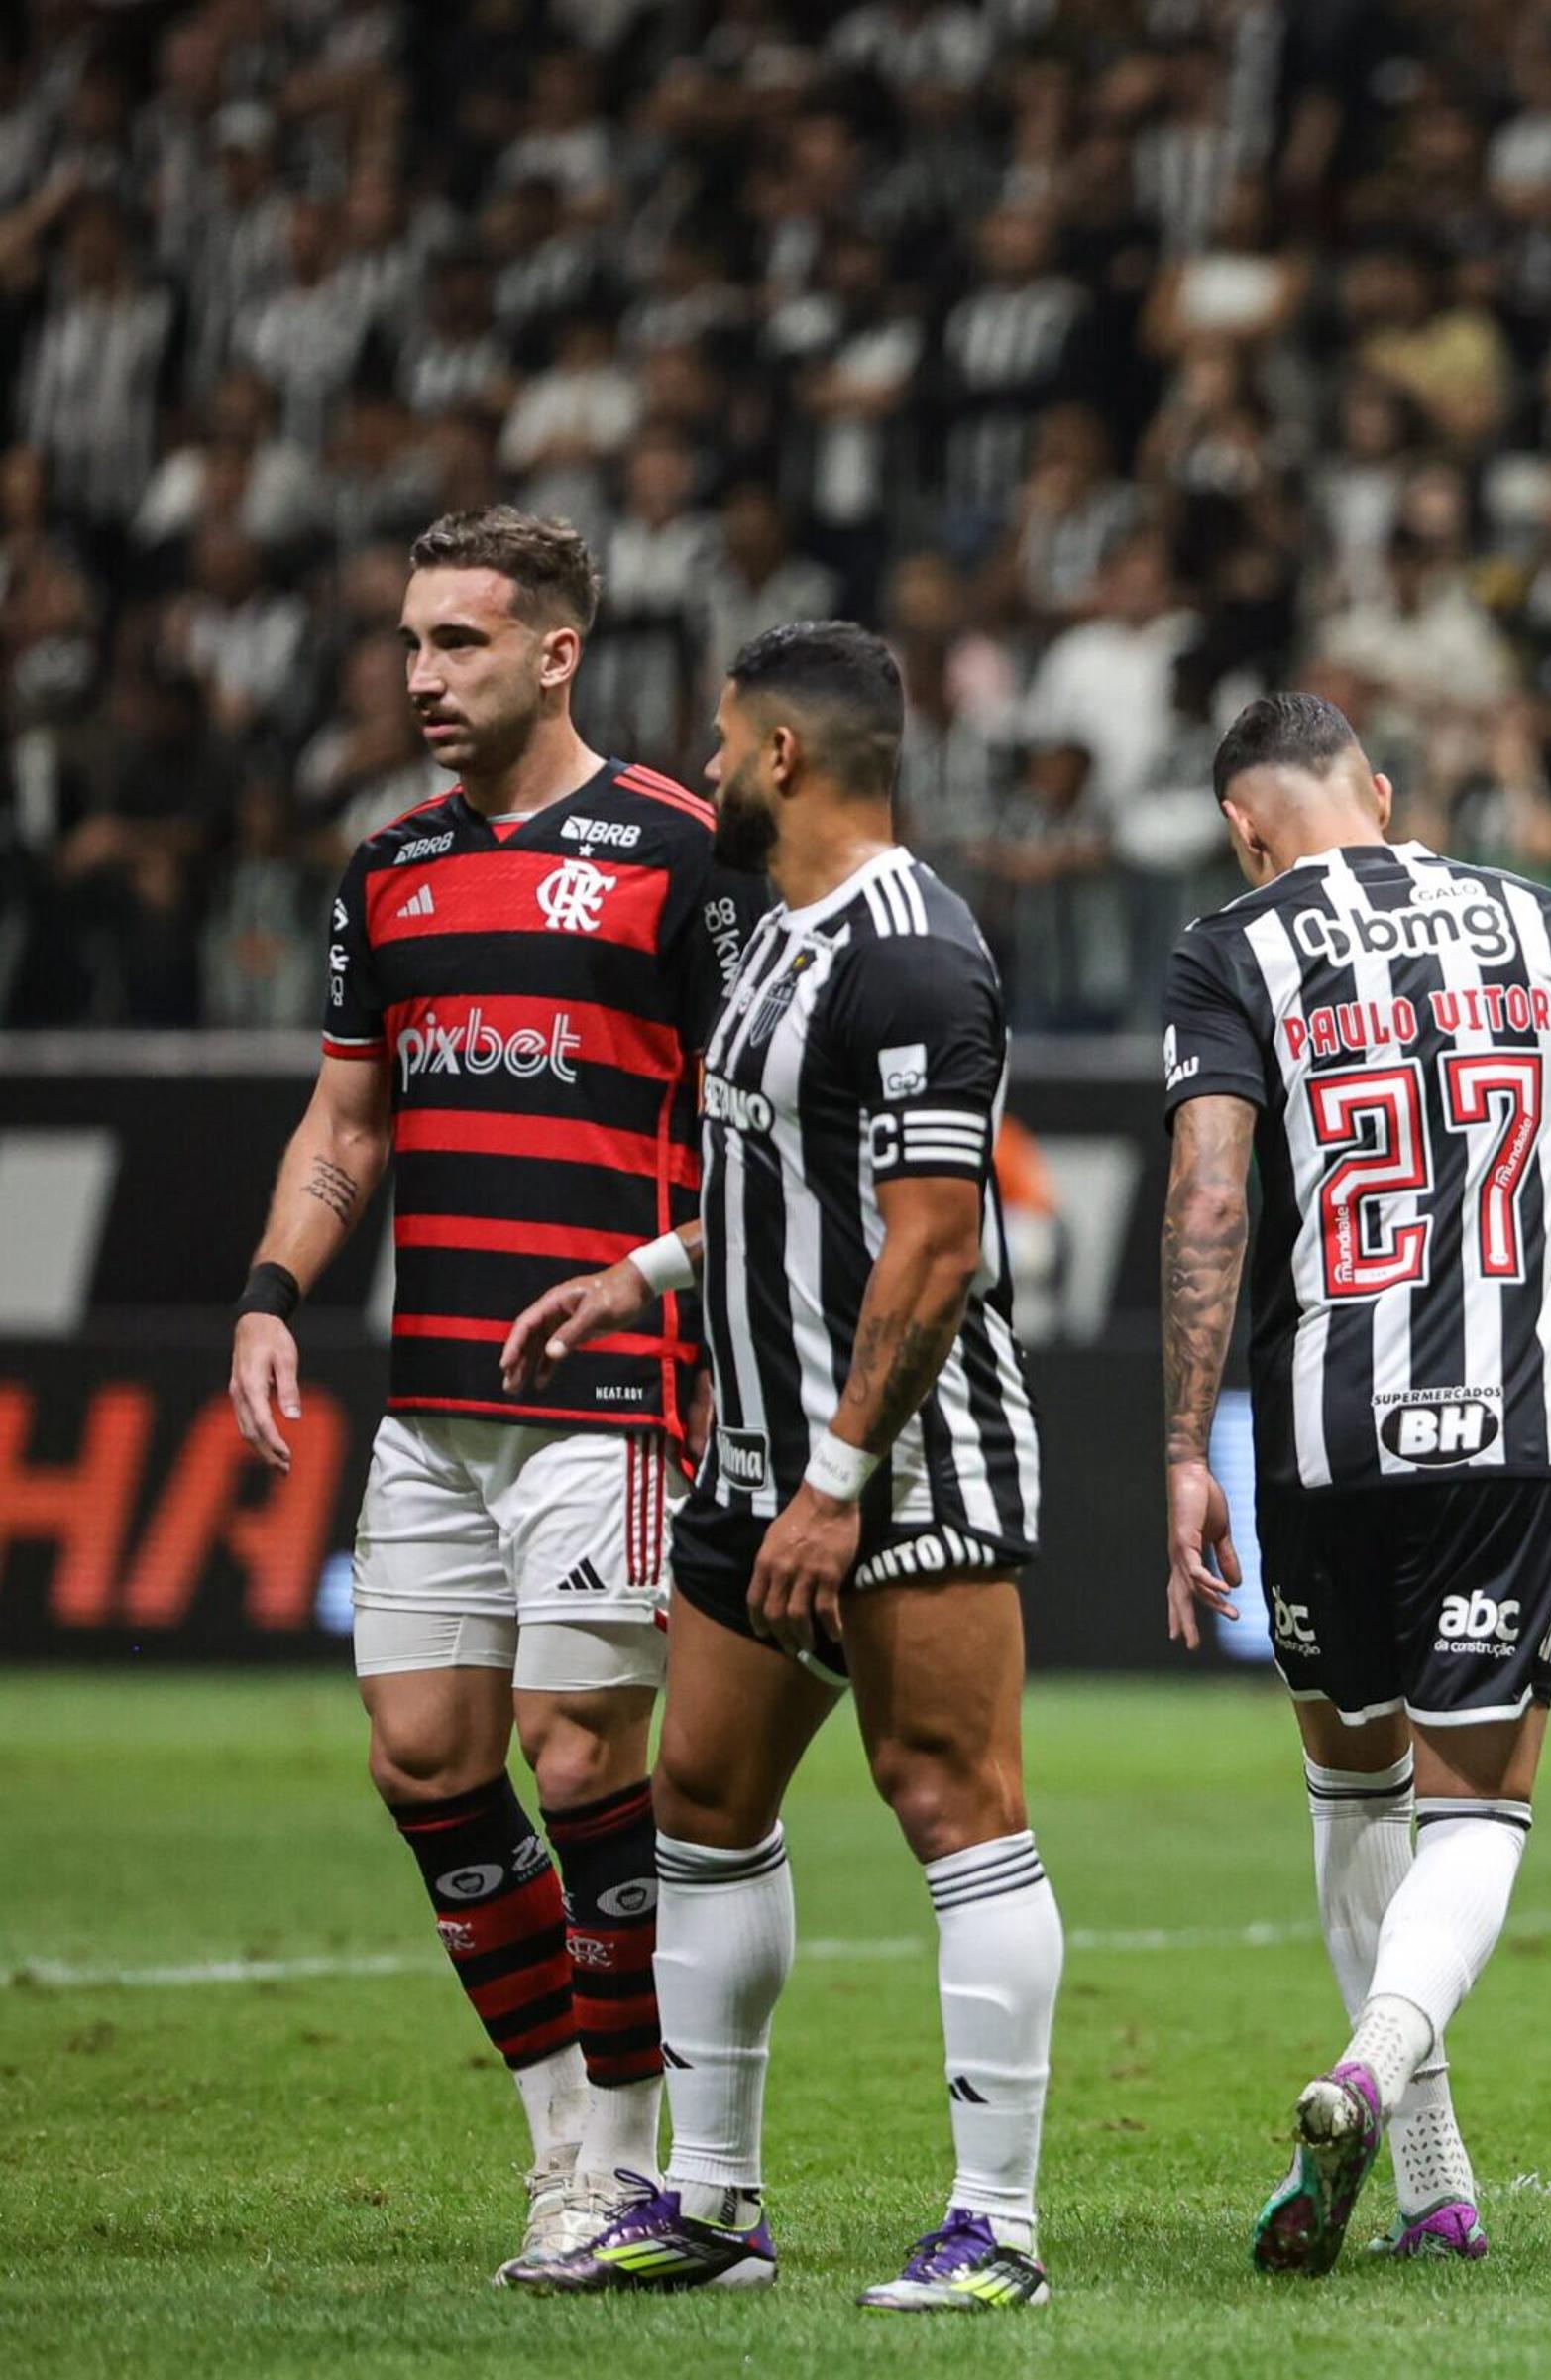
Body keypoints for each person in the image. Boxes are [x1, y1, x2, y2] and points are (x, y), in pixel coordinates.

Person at [499, 622, 1059, 2310]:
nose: (713, 768)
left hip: (904, 1464)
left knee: (951, 1802)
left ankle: (997, 2233)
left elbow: (938, 1245)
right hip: (755, 1461)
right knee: (703, 1804)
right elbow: (788, 1180)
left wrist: (837, 1480)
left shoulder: (915, 955)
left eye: (729, 744)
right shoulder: (782, 944)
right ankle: (719, 2206)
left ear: (788, 757)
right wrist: (646, 1275)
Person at [223, 506, 744, 2282]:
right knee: (425, 1759)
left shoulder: (683, 851)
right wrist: (276, 1289)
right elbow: (348, 1119)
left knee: (581, 1749)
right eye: (409, 640)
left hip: (613, 1392)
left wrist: (677, 1294)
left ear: (556, 650)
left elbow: (754, 1129)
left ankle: (625, 2155)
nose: (420, 674)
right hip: (430, 1398)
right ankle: (557, 2142)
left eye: (457, 641)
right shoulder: (389, 868)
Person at [1155, 692, 1551, 2269]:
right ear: (1379, 786)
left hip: (1324, 1426)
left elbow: (1208, 1202)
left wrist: (1181, 1445)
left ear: (1246, 824)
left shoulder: (1229, 945)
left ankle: (1434, 2169)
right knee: (1479, 1806)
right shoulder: (1538, 917)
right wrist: (1506, 1287)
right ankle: (1380, 2073)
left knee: (1354, 1782)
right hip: (1508, 1419)